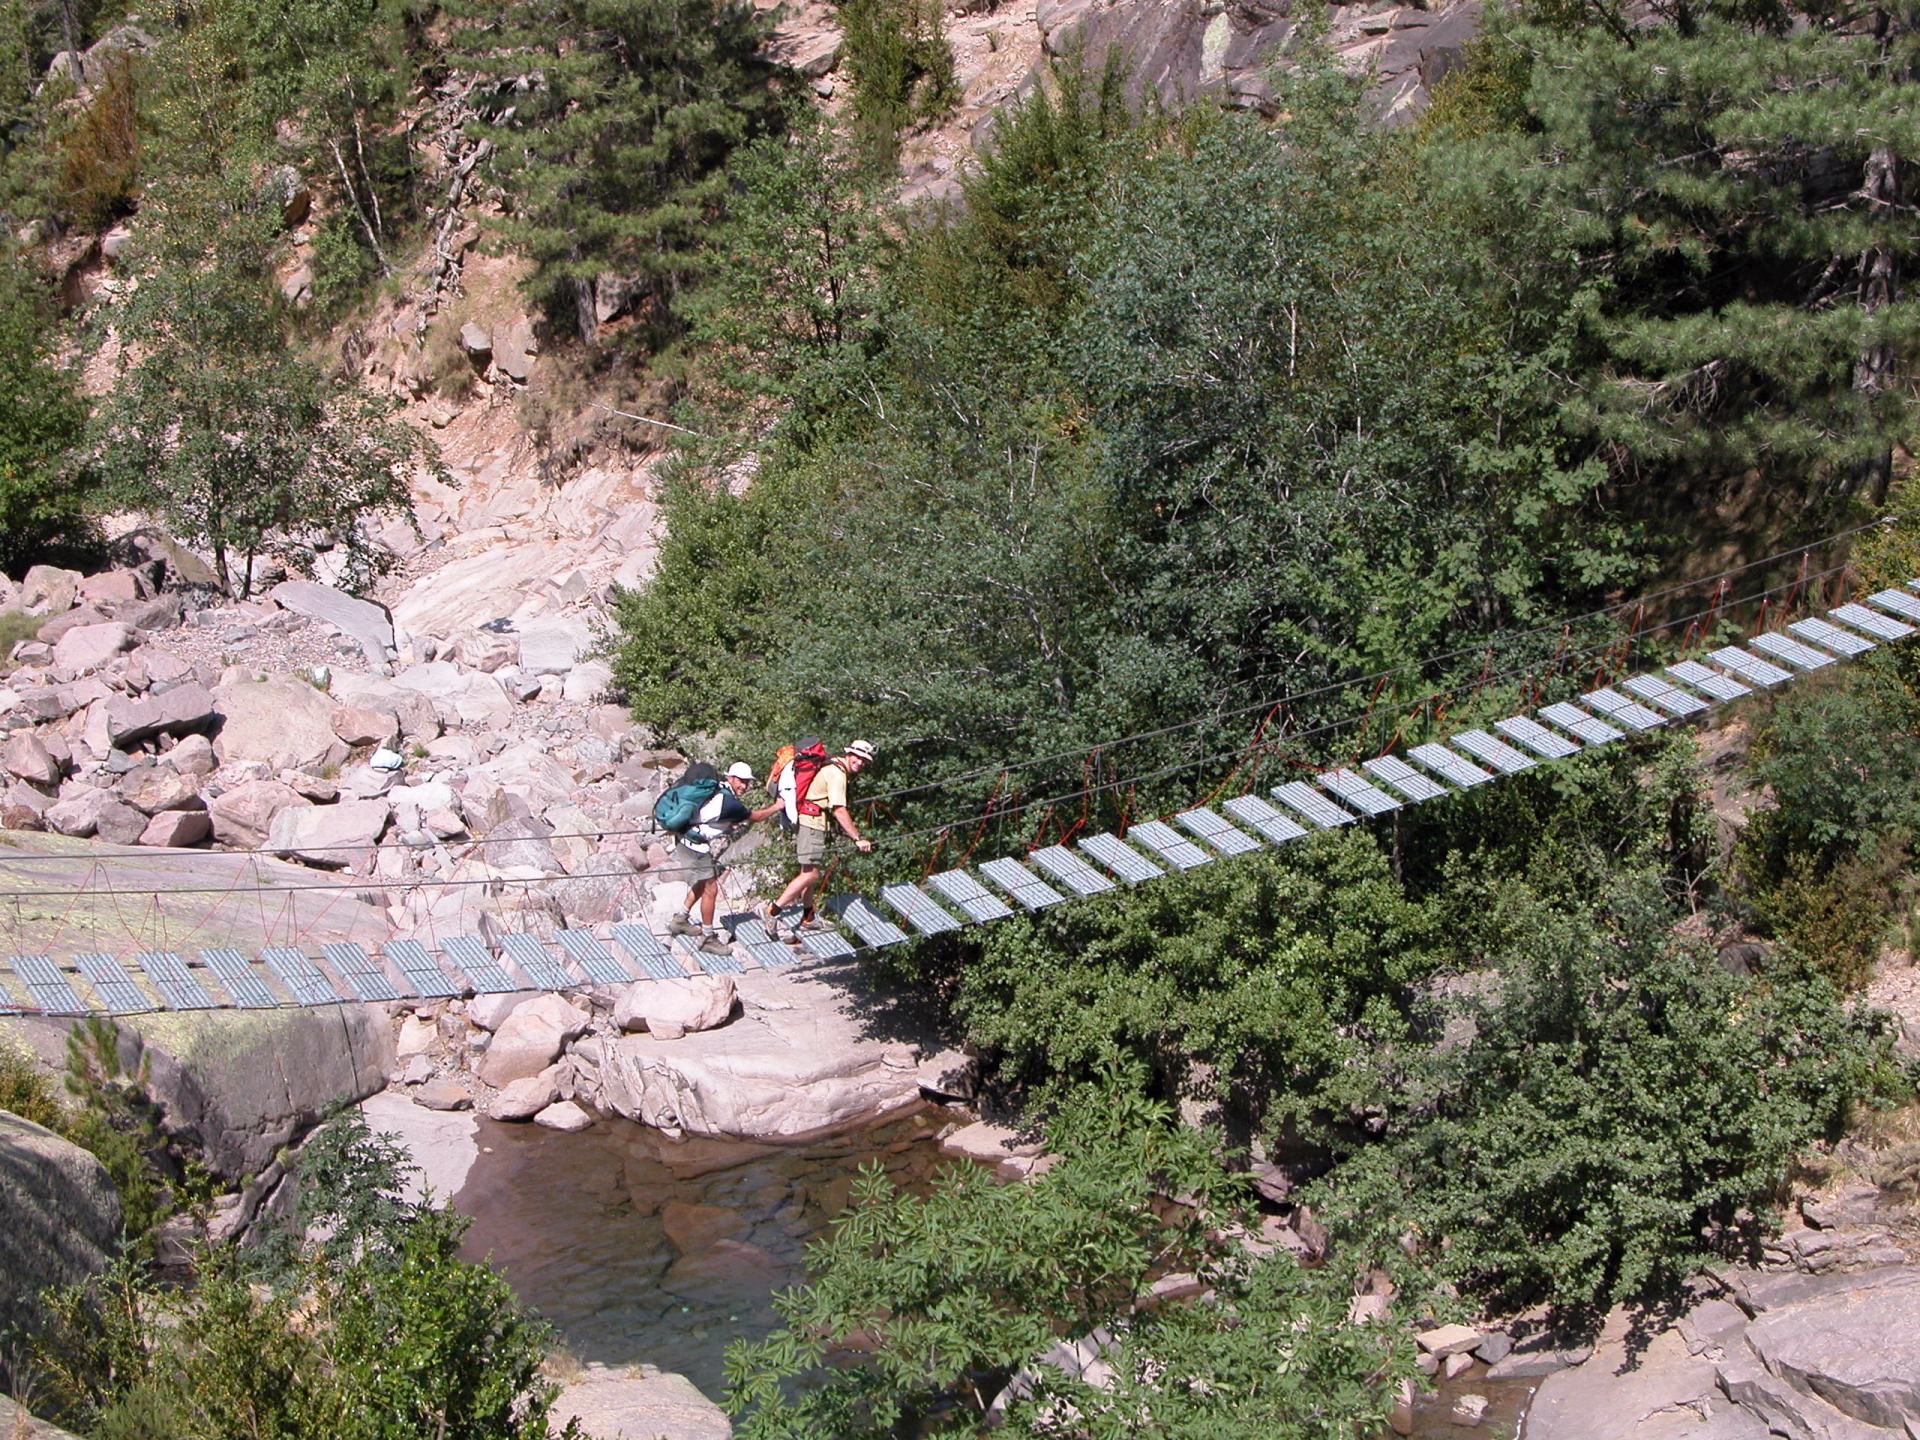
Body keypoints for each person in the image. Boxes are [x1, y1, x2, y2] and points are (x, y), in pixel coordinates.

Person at [764, 739, 874, 938]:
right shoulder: (837, 773)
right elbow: (840, 810)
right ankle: (772, 911)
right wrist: (857, 838)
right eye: (858, 757)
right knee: (811, 874)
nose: (860, 762)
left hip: (810, 820)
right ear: (849, 754)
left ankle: (808, 917)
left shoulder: (832, 763)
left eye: (864, 760)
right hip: (811, 823)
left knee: (809, 871)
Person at [668, 762, 782, 953]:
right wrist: (777, 806)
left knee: (704, 882)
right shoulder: (729, 803)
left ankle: (680, 918)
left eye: (747, 782)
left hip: (684, 836)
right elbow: (757, 816)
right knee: (711, 889)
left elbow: (710, 814)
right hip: (695, 844)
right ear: (730, 778)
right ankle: (707, 938)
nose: (744, 786)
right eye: (741, 781)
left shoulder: (717, 788)